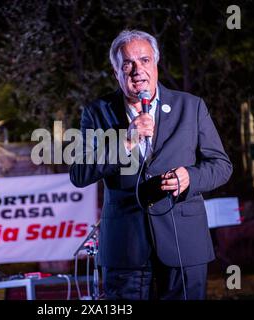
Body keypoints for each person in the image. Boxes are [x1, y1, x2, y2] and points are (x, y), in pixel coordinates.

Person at [69, 30, 232, 300]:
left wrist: (190, 177)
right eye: (127, 64)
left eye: (144, 60)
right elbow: (79, 173)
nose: (137, 70)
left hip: (184, 243)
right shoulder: (97, 112)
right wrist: (126, 141)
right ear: (116, 71)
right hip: (125, 249)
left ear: (156, 63)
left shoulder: (190, 107)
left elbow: (221, 165)